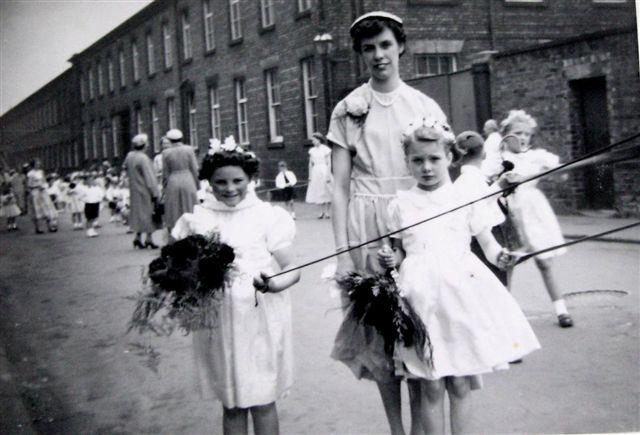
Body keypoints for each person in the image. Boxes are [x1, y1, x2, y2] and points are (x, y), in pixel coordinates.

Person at [377, 118, 541, 434]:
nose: (426, 167)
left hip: (461, 299)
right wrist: (389, 258)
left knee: (461, 384)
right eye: (418, 160)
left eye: (434, 158)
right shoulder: (400, 204)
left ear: (450, 158)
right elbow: (399, 253)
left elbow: (490, 248)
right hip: (420, 301)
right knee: (431, 386)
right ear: (408, 162)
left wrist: (503, 258)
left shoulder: (466, 198)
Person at [327, 11, 447, 434]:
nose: (378, 55)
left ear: (400, 48)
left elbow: (441, 174)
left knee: (417, 325)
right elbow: (339, 187)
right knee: (380, 332)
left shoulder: (423, 105)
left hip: (413, 218)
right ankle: (397, 429)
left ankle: (421, 428)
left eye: (384, 45)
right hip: (366, 223)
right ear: (360, 55)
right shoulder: (348, 109)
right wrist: (343, 253)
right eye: (368, 48)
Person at [171, 145, 300, 435]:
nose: (230, 189)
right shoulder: (198, 219)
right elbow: (179, 269)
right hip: (219, 321)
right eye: (221, 182)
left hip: (259, 317)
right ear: (209, 182)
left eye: (237, 181)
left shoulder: (268, 216)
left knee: (263, 398)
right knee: (232, 403)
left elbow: (292, 268)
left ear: (250, 179)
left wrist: (274, 282)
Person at [494, 109, 574, 328]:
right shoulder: (500, 159)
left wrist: (557, 171)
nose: (522, 138)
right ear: (506, 135)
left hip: (534, 211)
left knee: (544, 262)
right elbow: (490, 181)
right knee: (507, 266)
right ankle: (504, 318)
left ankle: (561, 311)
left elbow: (563, 174)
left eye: (527, 134)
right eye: (517, 133)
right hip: (509, 213)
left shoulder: (536, 156)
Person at [454, 131, 508, 284]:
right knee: (496, 281)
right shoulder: (473, 179)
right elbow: (483, 202)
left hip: (476, 235)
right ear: (484, 154)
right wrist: (500, 186)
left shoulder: (463, 180)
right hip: (486, 234)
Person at [123, 133, 160, 249]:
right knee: (149, 214)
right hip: (144, 190)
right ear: (144, 144)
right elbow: (150, 178)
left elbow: (125, 168)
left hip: (134, 190)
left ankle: (138, 237)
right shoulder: (143, 158)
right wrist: (155, 193)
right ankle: (149, 238)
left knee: (138, 214)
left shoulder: (130, 156)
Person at [162, 129, 199, 231]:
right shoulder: (189, 149)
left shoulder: (166, 152)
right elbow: (194, 168)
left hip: (173, 180)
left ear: (170, 140)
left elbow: (165, 173)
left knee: (174, 208)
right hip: (188, 179)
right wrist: (197, 184)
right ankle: (191, 231)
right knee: (190, 206)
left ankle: (176, 232)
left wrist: (164, 187)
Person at [26, 158, 58, 233]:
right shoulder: (30, 173)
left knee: (47, 207)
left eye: (39, 163)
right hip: (35, 192)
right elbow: (29, 184)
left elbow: (43, 180)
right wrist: (36, 187)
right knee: (37, 209)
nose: (38, 165)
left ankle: (50, 226)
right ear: (33, 165)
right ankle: (38, 228)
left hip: (43, 192)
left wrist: (45, 186)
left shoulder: (41, 172)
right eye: (37, 164)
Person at [305, 132, 332, 218]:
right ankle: (321, 212)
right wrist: (310, 176)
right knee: (318, 191)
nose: (313, 141)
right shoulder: (312, 150)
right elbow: (310, 164)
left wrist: (328, 175)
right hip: (315, 172)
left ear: (319, 140)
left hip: (324, 170)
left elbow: (329, 163)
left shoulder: (325, 149)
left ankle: (327, 212)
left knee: (326, 191)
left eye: (314, 140)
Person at [79, 173, 105, 238]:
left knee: (94, 217)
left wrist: (100, 199)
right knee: (89, 218)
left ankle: (92, 230)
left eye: (92, 180)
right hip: (88, 204)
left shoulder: (96, 188)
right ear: (86, 181)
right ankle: (89, 231)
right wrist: (86, 200)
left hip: (96, 203)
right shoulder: (83, 188)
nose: (91, 181)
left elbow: (101, 194)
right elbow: (80, 197)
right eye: (89, 180)